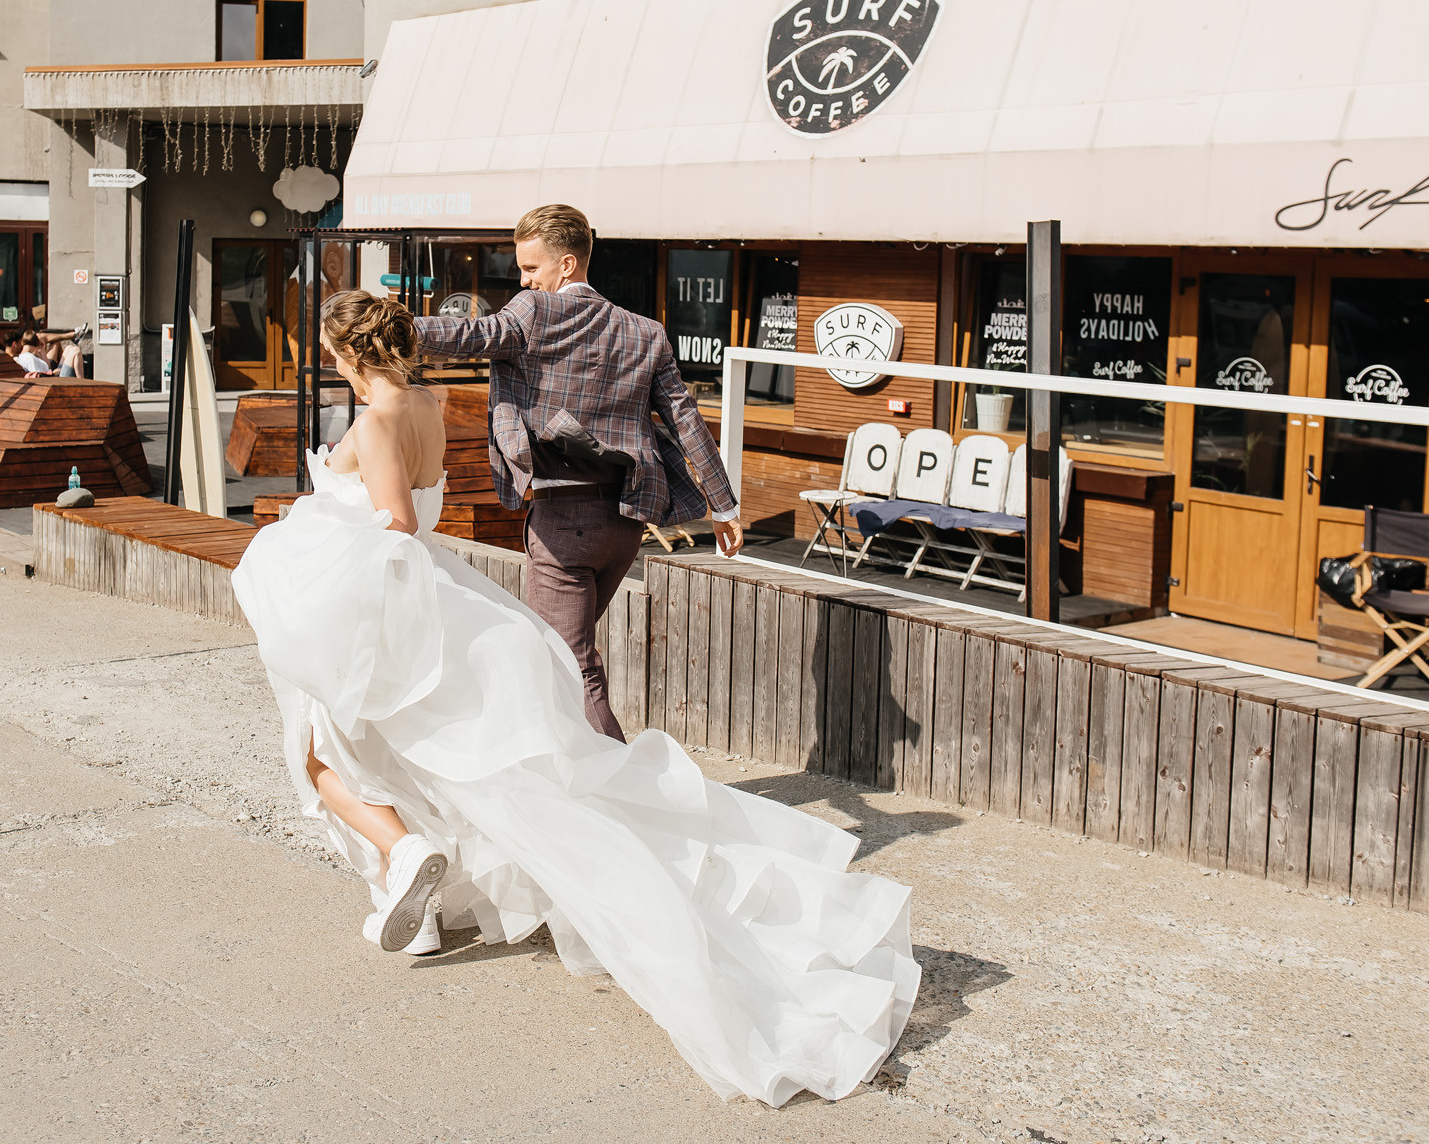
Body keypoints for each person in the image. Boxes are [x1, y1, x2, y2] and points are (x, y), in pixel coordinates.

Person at [230, 290, 921, 1109]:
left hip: (387, 617)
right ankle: (413, 905)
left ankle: (407, 858)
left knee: (323, 759)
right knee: (421, 761)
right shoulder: (428, 401)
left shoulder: (376, 423)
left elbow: (395, 524)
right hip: (445, 599)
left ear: (346, 356)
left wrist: (300, 554)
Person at [411, 204, 741, 742]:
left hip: (566, 522)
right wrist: (724, 507)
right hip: (626, 523)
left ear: (567, 265)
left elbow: (470, 335)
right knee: (561, 657)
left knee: (570, 665)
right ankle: (563, 779)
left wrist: (386, 329)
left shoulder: (534, 312)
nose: (523, 279)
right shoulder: (647, 332)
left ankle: (628, 793)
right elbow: (687, 420)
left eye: (531, 268)